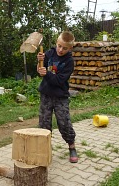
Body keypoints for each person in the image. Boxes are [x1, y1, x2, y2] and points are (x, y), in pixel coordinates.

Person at [37, 31, 78, 163]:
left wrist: (45, 74)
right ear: (57, 42)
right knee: (44, 124)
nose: (60, 50)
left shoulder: (69, 61)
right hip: (46, 95)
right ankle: (45, 150)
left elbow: (59, 80)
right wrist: (39, 63)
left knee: (64, 123)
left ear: (70, 48)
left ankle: (71, 146)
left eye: (64, 48)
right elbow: (40, 71)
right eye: (59, 46)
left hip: (61, 97)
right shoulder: (48, 54)